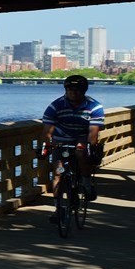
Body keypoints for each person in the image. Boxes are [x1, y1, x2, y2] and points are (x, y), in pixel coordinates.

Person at [42, 74, 105, 202]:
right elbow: (47, 131)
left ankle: (86, 183)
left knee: (81, 153)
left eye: (77, 90)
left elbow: (93, 133)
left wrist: (90, 148)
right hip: (61, 138)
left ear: (84, 91)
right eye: (70, 90)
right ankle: (57, 207)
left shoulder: (95, 107)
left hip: (82, 136)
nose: (73, 93)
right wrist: (46, 146)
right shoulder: (55, 106)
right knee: (58, 172)